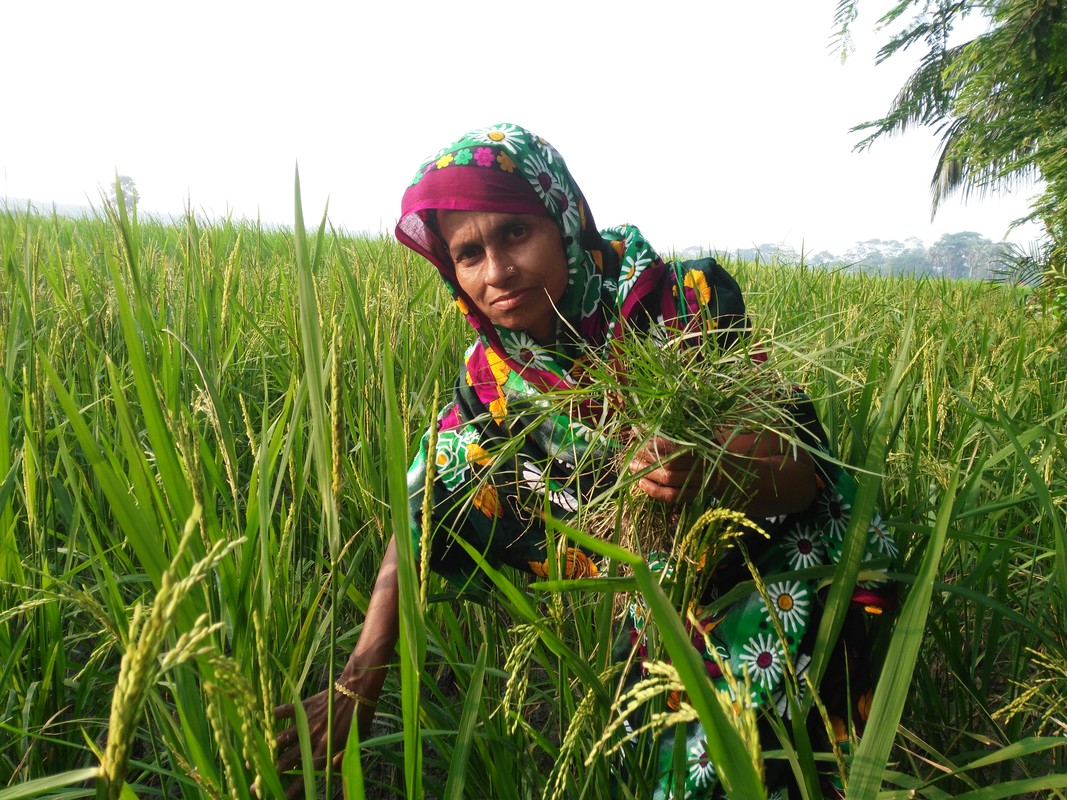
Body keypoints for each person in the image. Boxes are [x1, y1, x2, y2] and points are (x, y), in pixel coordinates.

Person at [274, 123, 895, 798]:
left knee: (753, 758)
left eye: (515, 232)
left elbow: (796, 474)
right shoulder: (490, 380)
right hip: (645, 572)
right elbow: (419, 506)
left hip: (766, 553)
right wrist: (357, 679)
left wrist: (711, 469)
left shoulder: (679, 305)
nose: (496, 271)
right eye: (468, 253)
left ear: (565, 219)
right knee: (453, 467)